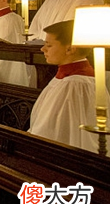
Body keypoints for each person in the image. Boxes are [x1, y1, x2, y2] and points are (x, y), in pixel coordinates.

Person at [29, 20, 100, 151]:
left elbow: (54, 132)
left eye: (49, 45)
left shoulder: (75, 84)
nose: (42, 49)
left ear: (70, 49)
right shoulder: (67, 77)